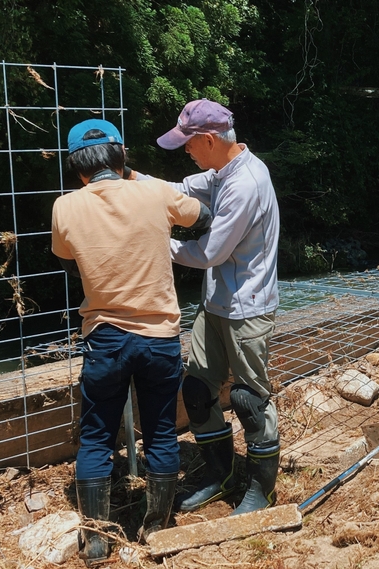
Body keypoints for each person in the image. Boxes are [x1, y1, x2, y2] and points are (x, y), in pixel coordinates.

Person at [51, 119, 210, 565]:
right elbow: (203, 217)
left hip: (104, 338)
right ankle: (156, 526)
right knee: (160, 430)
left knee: (96, 437)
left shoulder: (65, 206)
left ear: (77, 166)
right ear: (121, 156)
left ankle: (97, 540)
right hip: (159, 338)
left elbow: (69, 262)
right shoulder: (154, 193)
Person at [144, 99, 281, 516]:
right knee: (198, 392)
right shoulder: (222, 172)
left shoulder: (246, 184)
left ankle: (260, 490)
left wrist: (154, 242)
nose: (185, 150)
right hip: (215, 303)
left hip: (247, 308)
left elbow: (209, 253)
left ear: (208, 139)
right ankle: (220, 476)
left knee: (249, 400)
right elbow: (179, 188)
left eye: (188, 143)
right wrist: (127, 180)